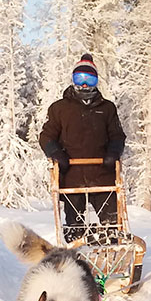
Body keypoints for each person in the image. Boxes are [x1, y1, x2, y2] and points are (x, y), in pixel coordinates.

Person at [39, 53, 126, 242]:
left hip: (102, 174)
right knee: (74, 226)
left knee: (111, 224)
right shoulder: (59, 108)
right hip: (72, 176)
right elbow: (46, 136)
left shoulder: (107, 108)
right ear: (73, 80)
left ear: (96, 81)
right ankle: (76, 259)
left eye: (89, 79)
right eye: (80, 78)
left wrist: (113, 153)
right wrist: (56, 153)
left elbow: (118, 136)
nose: (84, 84)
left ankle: (111, 257)